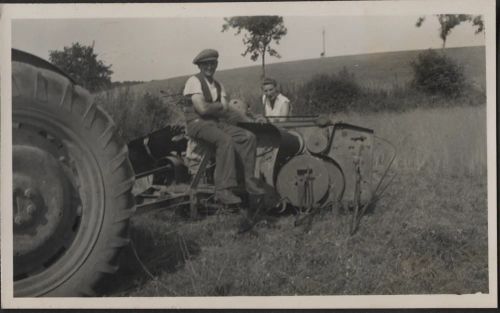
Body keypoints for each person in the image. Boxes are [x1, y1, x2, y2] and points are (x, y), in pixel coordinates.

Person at [182, 49, 264, 205]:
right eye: (206, 64)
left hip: (215, 123)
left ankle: (249, 181)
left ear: (216, 64)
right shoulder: (194, 81)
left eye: (213, 63)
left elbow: (227, 110)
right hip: (196, 123)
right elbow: (202, 109)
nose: (210, 67)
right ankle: (222, 189)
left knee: (248, 137)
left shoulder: (219, 85)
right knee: (225, 141)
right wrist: (219, 106)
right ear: (200, 66)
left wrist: (249, 120)